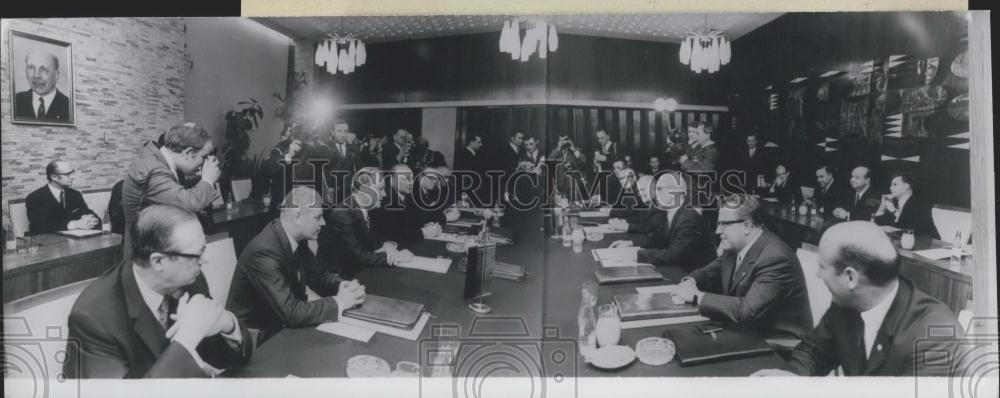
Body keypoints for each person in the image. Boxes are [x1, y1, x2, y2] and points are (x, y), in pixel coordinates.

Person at [64, 205, 252, 378]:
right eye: (198, 254)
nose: (206, 259)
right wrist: (187, 339)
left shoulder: (190, 280)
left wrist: (227, 324)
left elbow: (228, 360)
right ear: (158, 261)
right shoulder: (93, 317)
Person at [753, 221, 963, 376]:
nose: (817, 274)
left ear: (851, 278)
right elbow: (814, 352)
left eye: (822, 267)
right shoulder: (845, 304)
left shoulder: (935, 336)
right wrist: (792, 377)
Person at [227, 187, 366, 345]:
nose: (324, 222)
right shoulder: (264, 252)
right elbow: (291, 313)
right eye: (318, 217)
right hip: (254, 340)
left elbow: (319, 277)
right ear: (298, 217)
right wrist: (339, 302)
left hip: (279, 326)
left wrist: (344, 286)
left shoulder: (295, 238)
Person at [671, 194, 812, 340]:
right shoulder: (735, 247)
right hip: (747, 328)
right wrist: (690, 282)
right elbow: (709, 272)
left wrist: (696, 296)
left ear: (747, 226)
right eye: (719, 224)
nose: (718, 231)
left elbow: (746, 310)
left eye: (724, 224)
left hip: (777, 341)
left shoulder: (775, 258)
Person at [122, 122, 220, 261]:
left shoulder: (161, 163)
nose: (203, 164)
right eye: (204, 157)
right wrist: (208, 180)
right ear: (188, 152)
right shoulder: (154, 170)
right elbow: (187, 205)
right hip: (144, 260)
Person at [318, 167, 414, 279]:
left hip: (360, 272)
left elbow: (371, 245)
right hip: (340, 278)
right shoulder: (343, 215)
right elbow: (358, 256)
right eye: (380, 189)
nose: (385, 194)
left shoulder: (369, 209)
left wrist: (387, 246)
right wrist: (397, 256)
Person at [610, 172, 717, 272]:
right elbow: (657, 237)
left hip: (694, 277)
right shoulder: (672, 213)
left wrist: (636, 254)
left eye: (660, 189)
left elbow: (673, 255)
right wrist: (630, 243)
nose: (656, 193)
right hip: (679, 270)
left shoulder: (688, 218)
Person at [25, 160, 101, 235]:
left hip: (73, 242)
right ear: (54, 177)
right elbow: (41, 225)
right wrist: (75, 224)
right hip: (47, 243)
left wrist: (92, 220)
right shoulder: (35, 198)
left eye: (72, 173)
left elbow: (88, 213)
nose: (73, 177)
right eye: (68, 174)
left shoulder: (75, 194)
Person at [873, 172, 940, 239]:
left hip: (928, 242)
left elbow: (909, 229)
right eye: (891, 185)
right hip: (905, 240)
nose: (890, 188)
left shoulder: (918, 204)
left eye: (894, 185)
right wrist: (881, 208)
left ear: (906, 186)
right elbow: (877, 223)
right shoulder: (893, 202)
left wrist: (894, 211)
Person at [14, 48, 71, 121]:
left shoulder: (68, 106)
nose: (36, 75)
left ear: (57, 75)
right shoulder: (16, 101)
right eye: (31, 67)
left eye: (43, 69)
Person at [262, 124, 303, 215]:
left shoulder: (307, 148)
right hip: (283, 201)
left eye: (297, 130)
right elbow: (268, 170)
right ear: (285, 132)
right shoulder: (278, 149)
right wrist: (289, 154)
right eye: (291, 130)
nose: (294, 133)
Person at [608, 174, 664, 240]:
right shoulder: (649, 203)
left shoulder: (661, 205)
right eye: (639, 191)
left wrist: (627, 226)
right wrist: (624, 221)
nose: (640, 194)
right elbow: (641, 219)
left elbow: (650, 228)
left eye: (643, 190)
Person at [327, 119, 357, 204]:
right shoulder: (326, 149)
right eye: (339, 131)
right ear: (333, 132)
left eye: (345, 131)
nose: (343, 135)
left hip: (349, 195)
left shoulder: (354, 149)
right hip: (332, 195)